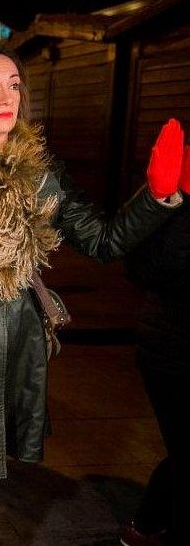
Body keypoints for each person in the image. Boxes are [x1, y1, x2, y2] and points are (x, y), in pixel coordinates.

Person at [0, 45, 184, 546]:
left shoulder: (40, 172)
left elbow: (103, 240)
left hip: (15, 345)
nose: (7, 95)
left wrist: (157, 196)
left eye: (14, 84)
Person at [123, 146, 190, 545]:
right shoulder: (170, 179)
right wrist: (170, 200)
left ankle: (147, 523)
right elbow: (138, 264)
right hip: (172, 348)